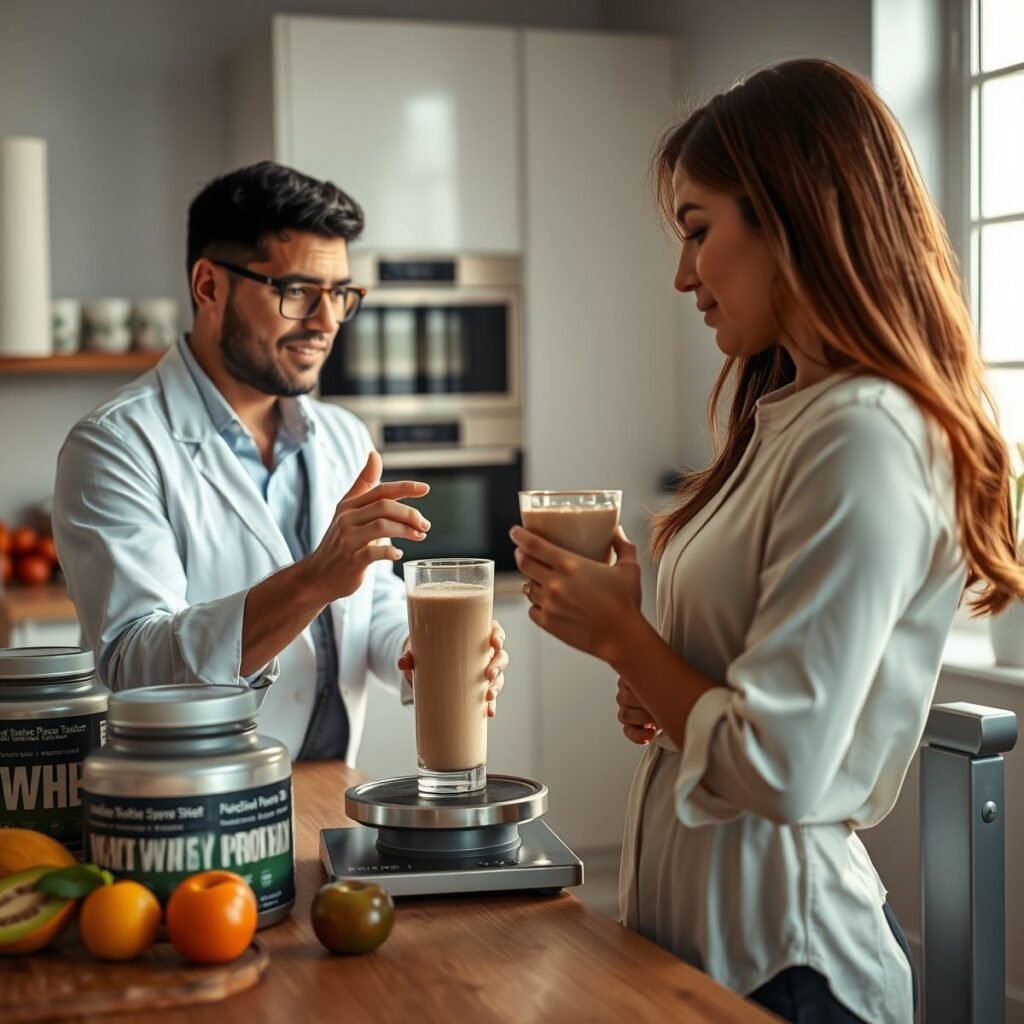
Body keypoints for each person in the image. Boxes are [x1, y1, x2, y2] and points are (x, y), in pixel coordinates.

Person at [511, 59, 1024, 1023]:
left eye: (698, 230)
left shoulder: (866, 435)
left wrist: (625, 638)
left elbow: (781, 766)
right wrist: (659, 683)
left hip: (789, 970)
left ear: (791, 216)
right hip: (710, 947)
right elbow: (745, 694)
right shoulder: (790, 416)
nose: (682, 275)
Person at [53, 161, 508, 763]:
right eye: (297, 292)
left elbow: (368, 601)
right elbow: (135, 664)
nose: (326, 321)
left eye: (340, 294)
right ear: (209, 287)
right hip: (198, 796)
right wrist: (313, 580)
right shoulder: (114, 446)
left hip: (326, 786)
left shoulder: (343, 436)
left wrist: (417, 645)